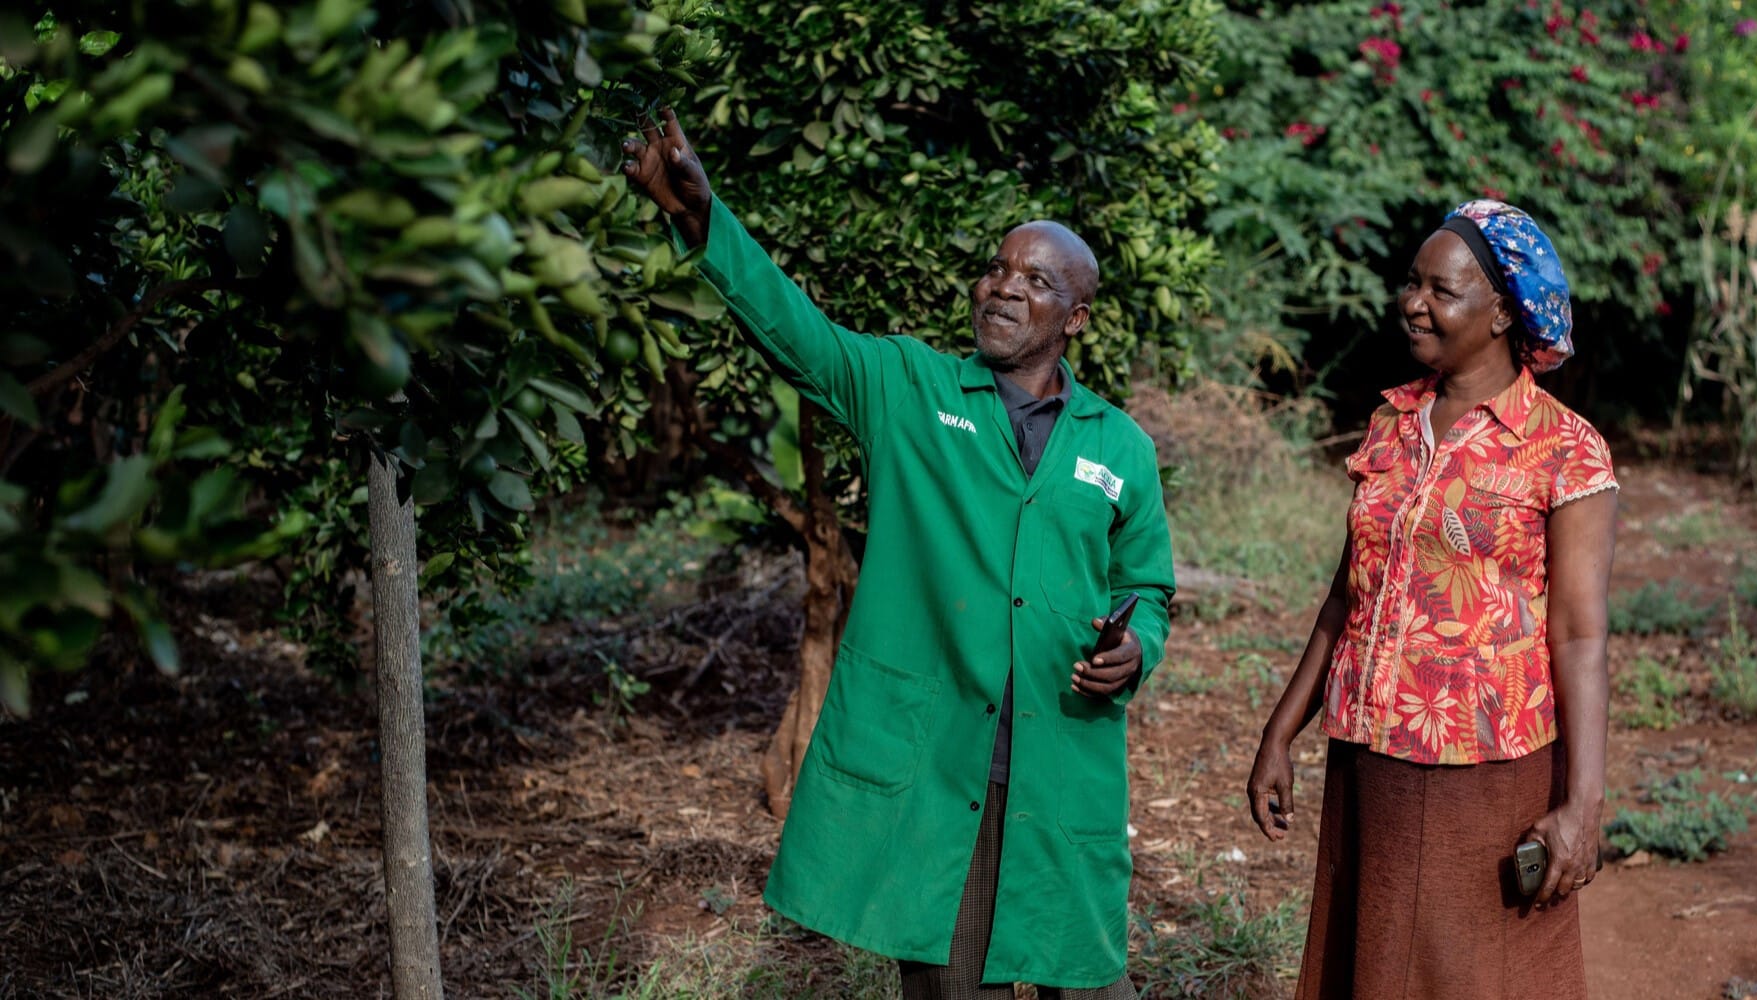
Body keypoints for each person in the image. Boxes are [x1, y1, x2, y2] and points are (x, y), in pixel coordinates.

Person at [621, 109, 1174, 999]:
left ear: (1075, 317)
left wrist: (1135, 644)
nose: (1000, 286)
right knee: (953, 983)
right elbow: (798, 336)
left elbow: (1145, 583)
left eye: (1033, 279)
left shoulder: (1121, 447)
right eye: (996, 266)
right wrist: (702, 220)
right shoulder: (910, 389)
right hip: (942, 765)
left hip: (1063, 762)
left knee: (1082, 972)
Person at [1246, 200, 1618, 999]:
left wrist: (1582, 804)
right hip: (1369, 753)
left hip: (1484, 768)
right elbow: (1347, 594)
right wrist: (1282, 731)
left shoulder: (1563, 448)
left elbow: (1581, 635)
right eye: (1410, 283)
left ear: (1501, 314)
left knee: (1474, 971)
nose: (1413, 302)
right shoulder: (1391, 422)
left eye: (1440, 290)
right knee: (1371, 959)